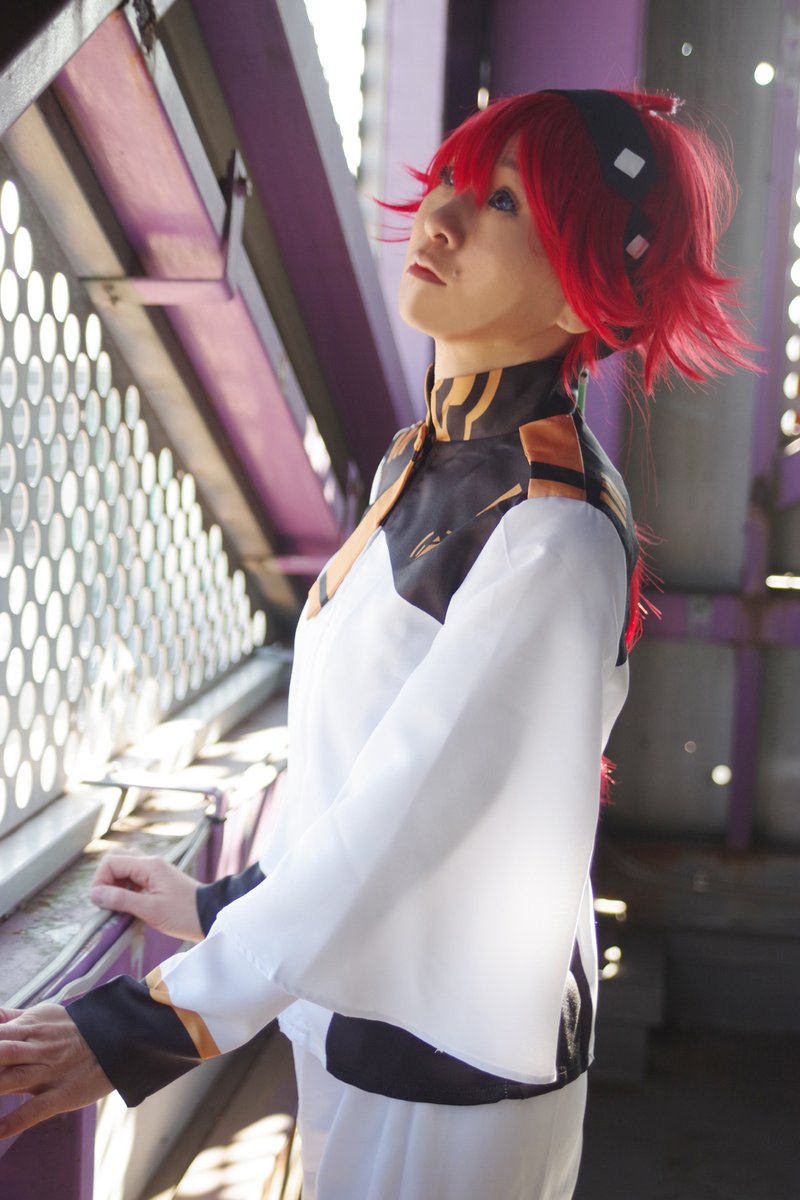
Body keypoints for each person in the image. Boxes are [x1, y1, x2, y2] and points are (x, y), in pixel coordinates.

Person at [0, 89, 752, 1199]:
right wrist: (220, 906)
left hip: (454, 1069)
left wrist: (138, 1031)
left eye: (503, 203)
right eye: (451, 181)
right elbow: (364, 761)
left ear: (589, 284)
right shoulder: (421, 460)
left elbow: (412, 812)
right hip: (355, 1022)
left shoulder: (550, 531)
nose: (439, 218)